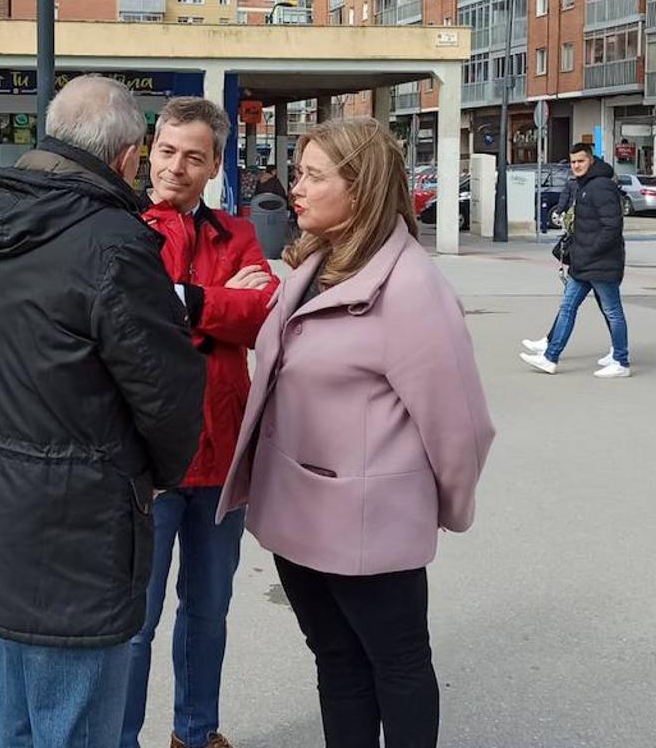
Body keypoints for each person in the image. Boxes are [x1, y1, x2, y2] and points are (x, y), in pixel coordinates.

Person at [217, 117, 496, 748]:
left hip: (370, 523)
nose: (296, 188)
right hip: (298, 516)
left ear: (361, 189)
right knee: (336, 659)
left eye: (314, 176)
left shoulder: (412, 287)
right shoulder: (316, 263)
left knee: (397, 665)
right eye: (298, 173)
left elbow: (461, 424)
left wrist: (440, 510)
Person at [0, 75, 206, 748]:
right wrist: (156, 475)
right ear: (128, 156)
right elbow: (168, 392)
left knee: (23, 720)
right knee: (74, 721)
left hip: (5, 502)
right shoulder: (113, 242)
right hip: (83, 524)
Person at [122, 97, 279, 748]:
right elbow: (131, 328)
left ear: (215, 165)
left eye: (194, 156)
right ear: (148, 152)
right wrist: (218, 306)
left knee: (209, 611)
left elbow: (265, 315)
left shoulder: (237, 234)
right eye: (166, 151)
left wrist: (186, 303)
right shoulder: (125, 230)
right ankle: (120, 738)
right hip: (148, 462)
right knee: (135, 621)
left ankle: (196, 732)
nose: (176, 167)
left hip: (221, 456)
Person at [520, 143, 631, 378]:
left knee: (612, 311)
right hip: (584, 262)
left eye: (581, 161)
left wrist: (591, 251)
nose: (576, 166)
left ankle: (621, 360)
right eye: (573, 162)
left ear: (591, 160)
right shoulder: (585, 185)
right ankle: (550, 357)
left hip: (601, 262)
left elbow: (612, 226)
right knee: (568, 307)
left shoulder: (600, 186)